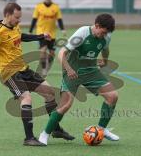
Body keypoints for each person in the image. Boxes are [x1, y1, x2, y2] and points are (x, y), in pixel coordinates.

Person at [0, 2, 74, 146]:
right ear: (7, 15)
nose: (19, 20)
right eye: (17, 17)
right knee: (26, 98)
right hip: (9, 73)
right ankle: (29, 138)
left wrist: (40, 37)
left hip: (23, 69)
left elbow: (21, 36)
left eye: (19, 17)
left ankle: (55, 129)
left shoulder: (14, 26)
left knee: (50, 93)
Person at [38, 14, 120, 145]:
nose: (104, 35)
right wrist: (69, 69)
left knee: (113, 96)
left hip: (91, 71)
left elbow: (105, 49)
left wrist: (104, 61)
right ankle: (45, 134)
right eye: (103, 32)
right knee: (66, 105)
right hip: (72, 71)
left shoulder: (106, 36)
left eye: (106, 33)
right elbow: (61, 53)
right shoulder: (82, 33)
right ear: (97, 26)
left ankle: (101, 129)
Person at [29, 0, 66, 77]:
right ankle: (43, 68)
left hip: (52, 33)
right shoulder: (39, 6)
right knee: (43, 50)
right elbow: (34, 19)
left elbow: (59, 19)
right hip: (41, 32)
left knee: (52, 53)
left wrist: (62, 29)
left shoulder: (56, 7)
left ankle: (48, 65)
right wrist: (31, 30)